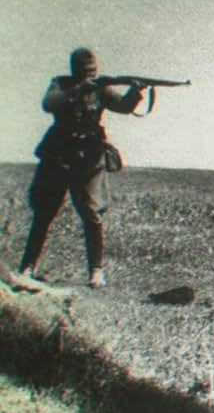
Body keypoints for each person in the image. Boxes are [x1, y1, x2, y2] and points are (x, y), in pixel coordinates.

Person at [18, 48, 145, 289]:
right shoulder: (60, 84)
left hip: (88, 157)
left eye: (92, 71)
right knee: (44, 212)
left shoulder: (102, 89)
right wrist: (77, 91)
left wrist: (136, 92)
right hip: (58, 153)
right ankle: (27, 267)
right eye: (85, 71)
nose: (90, 75)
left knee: (90, 213)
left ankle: (95, 271)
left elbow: (123, 106)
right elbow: (48, 104)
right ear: (74, 70)